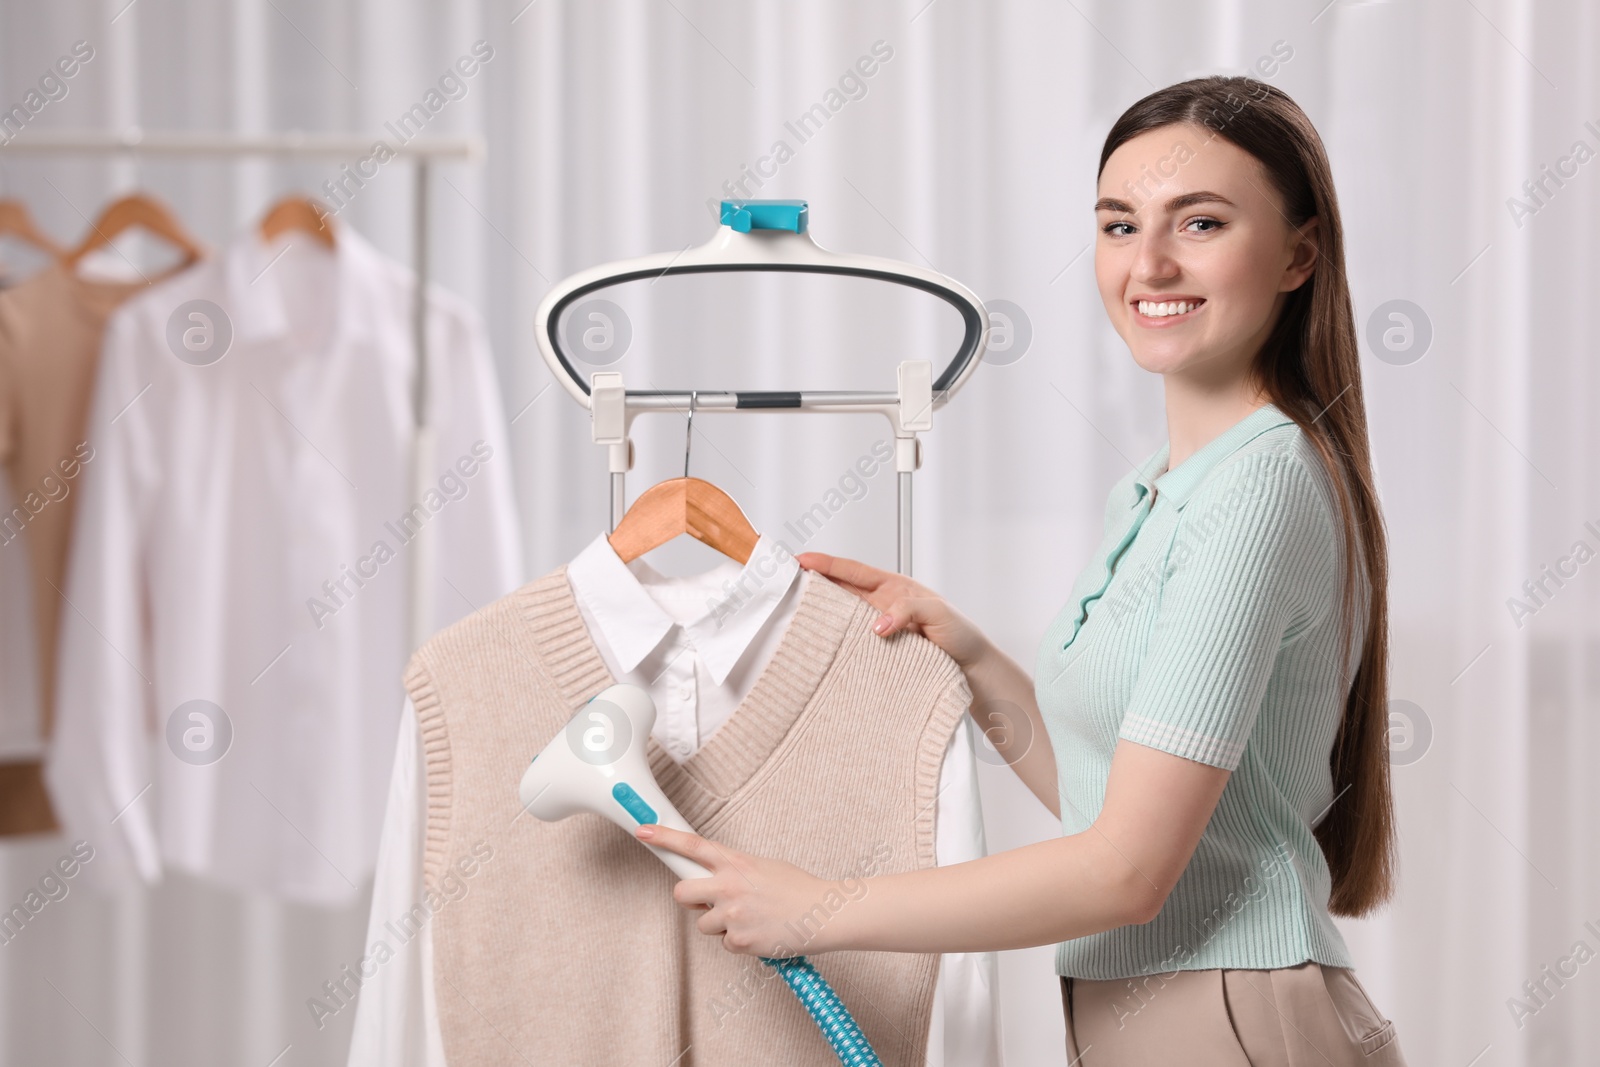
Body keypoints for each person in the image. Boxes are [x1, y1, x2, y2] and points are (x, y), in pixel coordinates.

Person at [640, 75, 1408, 1066]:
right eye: (1118, 225)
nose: (1150, 263)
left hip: (1225, 1017)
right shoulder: (1158, 490)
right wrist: (970, 655)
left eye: (1201, 222)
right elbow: (1109, 803)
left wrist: (815, 908)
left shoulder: (1256, 488)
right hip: (1172, 1012)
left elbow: (1126, 870)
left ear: (1299, 252)